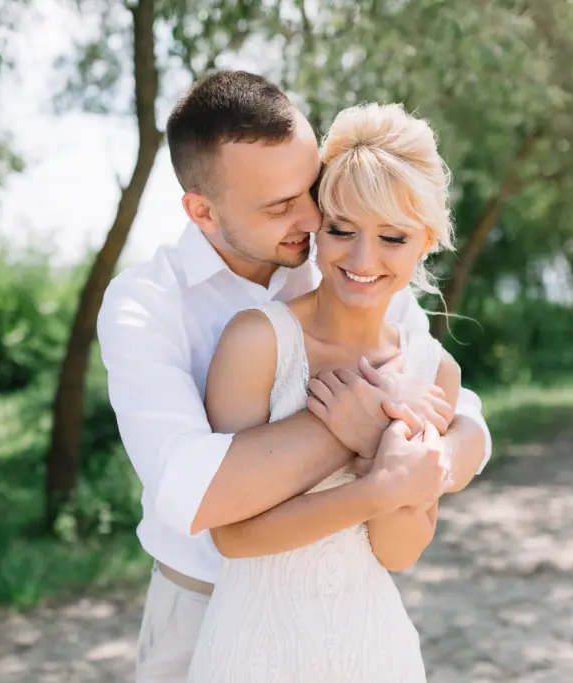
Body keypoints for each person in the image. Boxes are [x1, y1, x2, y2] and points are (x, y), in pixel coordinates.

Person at [96, 71, 491, 683]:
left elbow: (456, 408)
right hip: (202, 605)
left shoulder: (339, 259)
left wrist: (429, 456)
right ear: (202, 210)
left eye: (309, 189)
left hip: (349, 613)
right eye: (281, 205)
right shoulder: (146, 304)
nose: (312, 215)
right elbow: (195, 494)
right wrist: (367, 423)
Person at [187, 100, 454, 683]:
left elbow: (399, 552)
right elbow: (233, 537)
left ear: (425, 241)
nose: (362, 259)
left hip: (373, 652)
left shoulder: (435, 372)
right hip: (253, 652)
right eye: (341, 230)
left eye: (392, 237)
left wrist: (371, 448)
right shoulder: (258, 341)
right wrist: (378, 480)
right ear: (318, 223)